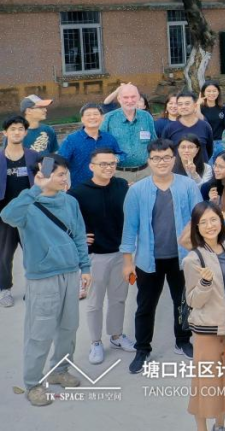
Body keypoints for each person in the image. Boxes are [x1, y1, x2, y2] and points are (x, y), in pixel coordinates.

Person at [1, 155, 91, 407]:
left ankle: (60, 370)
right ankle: (32, 383)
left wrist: (85, 267)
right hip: (42, 278)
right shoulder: (27, 203)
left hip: (70, 273)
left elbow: (79, 234)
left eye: (65, 174)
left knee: (68, 328)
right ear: (43, 175)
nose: (65, 179)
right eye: (60, 174)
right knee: (39, 333)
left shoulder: (70, 201)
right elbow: (7, 215)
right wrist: (34, 190)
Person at [120, 138, 204, 373]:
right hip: (148, 260)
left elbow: (198, 220)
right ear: (149, 161)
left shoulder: (188, 186)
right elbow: (130, 228)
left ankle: (182, 340)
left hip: (182, 258)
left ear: (173, 159)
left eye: (166, 157)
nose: (162, 162)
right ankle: (142, 348)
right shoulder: (137, 190)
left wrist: (200, 254)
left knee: (183, 302)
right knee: (145, 306)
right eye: (156, 158)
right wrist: (127, 262)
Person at [183, 202, 225, 431]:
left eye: (214, 219)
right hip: (209, 326)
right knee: (206, 382)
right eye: (203, 222)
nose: (210, 226)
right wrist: (205, 283)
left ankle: (220, 425)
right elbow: (193, 300)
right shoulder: (193, 258)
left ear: (221, 221)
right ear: (196, 227)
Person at [69, 148, 136, 364]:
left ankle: (116, 336)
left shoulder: (122, 186)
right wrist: (77, 236)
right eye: (103, 164)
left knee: (118, 299)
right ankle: (96, 342)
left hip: (121, 253)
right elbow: (65, 221)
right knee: (94, 303)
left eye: (112, 163)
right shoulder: (78, 193)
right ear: (92, 166)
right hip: (94, 256)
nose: (108, 167)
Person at [0, 115, 40, 309]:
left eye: (20, 129)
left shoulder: (33, 155)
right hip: (4, 215)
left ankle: (33, 288)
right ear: (5, 133)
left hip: (30, 214)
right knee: (4, 254)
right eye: (13, 129)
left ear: (25, 133)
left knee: (33, 253)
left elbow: (48, 172)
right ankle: (4, 289)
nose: (16, 132)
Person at [102, 83, 157, 182]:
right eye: (126, 97)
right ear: (119, 99)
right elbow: (100, 146)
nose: (130, 101)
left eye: (133, 97)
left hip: (145, 173)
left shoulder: (146, 117)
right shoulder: (108, 118)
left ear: (138, 98)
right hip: (118, 174)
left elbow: (153, 142)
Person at [58, 103, 124, 187]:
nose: (92, 117)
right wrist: (59, 181)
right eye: (88, 115)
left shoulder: (109, 138)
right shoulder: (71, 140)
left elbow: (121, 154)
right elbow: (59, 160)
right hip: (81, 188)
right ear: (82, 119)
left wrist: (115, 158)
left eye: (95, 114)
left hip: (107, 186)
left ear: (102, 118)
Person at [161, 91, 215, 164]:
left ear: (195, 106)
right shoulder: (170, 128)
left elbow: (209, 150)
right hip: (178, 169)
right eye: (180, 104)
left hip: (201, 168)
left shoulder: (205, 126)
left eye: (187, 103)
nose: (183, 107)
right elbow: (165, 150)